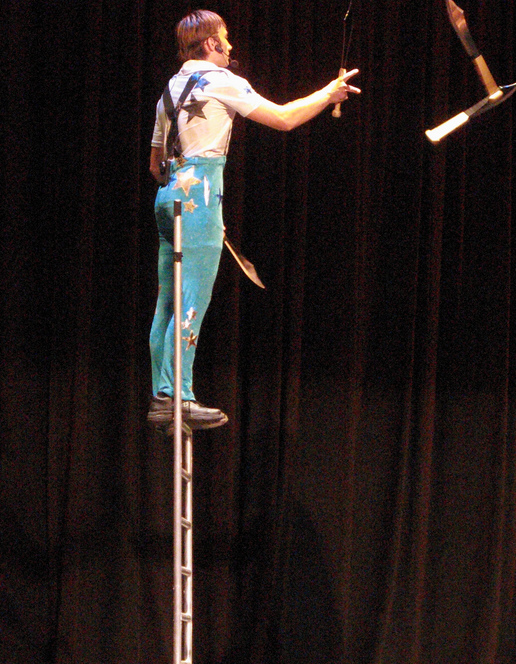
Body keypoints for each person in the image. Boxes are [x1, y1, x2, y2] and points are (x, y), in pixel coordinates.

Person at [147, 10, 360, 430]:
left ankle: (161, 394)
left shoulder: (169, 89)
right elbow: (283, 118)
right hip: (198, 195)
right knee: (191, 301)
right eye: (224, 38)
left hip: (168, 196)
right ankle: (177, 396)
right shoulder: (221, 80)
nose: (230, 45)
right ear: (211, 43)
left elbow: (155, 164)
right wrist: (328, 94)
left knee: (167, 305)